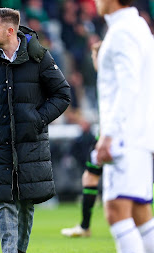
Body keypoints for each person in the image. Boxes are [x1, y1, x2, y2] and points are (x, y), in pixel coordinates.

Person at [0, 8, 70, 253]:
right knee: (4, 200)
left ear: (10, 31)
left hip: (29, 142)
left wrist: (37, 119)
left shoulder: (39, 57)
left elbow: (62, 94)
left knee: (25, 201)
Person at [92, 1, 154, 253]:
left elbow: (128, 86)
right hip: (140, 133)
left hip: (126, 136)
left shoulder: (122, 32)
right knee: (140, 212)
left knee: (116, 210)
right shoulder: (139, 26)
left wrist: (109, 133)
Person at [61, 41, 102, 238]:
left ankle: (85, 226)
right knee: (90, 176)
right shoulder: (104, 79)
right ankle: (85, 226)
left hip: (116, 137)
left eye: (94, 56)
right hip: (109, 135)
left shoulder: (109, 79)